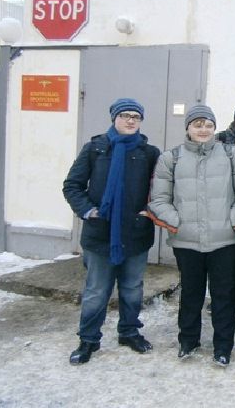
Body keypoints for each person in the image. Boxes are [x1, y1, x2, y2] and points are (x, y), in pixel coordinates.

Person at [148, 104, 235, 367]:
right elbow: (159, 199)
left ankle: (223, 347)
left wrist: (232, 221)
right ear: (188, 128)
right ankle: (188, 340)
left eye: (208, 125)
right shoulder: (171, 158)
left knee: (223, 296)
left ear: (214, 127)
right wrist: (178, 223)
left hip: (225, 241)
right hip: (187, 241)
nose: (203, 129)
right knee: (191, 294)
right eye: (198, 124)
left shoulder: (231, 154)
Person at [63, 98, 160, 365]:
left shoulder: (149, 153)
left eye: (136, 117)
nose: (130, 120)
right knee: (96, 291)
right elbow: (72, 185)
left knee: (132, 288)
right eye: (125, 115)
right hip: (100, 234)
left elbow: (161, 190)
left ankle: (129, 332)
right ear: (114, 118)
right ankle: (88, 339)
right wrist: (88, 211)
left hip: (136, 234)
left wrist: (149, 211)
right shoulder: (95, 149)